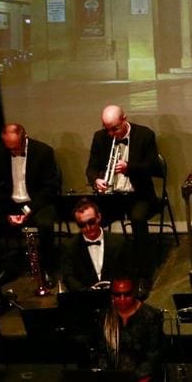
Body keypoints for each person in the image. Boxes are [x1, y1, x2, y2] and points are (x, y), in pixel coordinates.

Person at [0, 121, 62, 284]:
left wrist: (28, 210)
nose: (13, 151)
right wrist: (9, 212)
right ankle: (3, 267)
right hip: (11, 204)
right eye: (9, 148)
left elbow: (50, 188)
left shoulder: (43, 152)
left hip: (36, 203)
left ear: (25, 138)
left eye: (16, 147)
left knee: (45, 224)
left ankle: (47, 268)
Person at [86, 104, 161, 258]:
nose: (111, 134)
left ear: (124, 119)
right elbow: (91, 168)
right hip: (112, 196)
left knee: (138, 219)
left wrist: (129, 168)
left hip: (139, 194)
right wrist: (96, 180)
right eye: (107, 129)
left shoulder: (145, 135)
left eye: (115, 129)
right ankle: (101, 261)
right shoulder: (100, 137)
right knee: (90, 218)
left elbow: (153, 167)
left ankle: (144, 269)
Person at [63, 197, 135, 292]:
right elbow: (68, 277)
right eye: (82, 225)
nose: (88, 228)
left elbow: (128, 272)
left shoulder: (120, 242)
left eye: (91, 222)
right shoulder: (70, 246)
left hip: (115, 295)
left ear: (99, 217)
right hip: (85, 297)